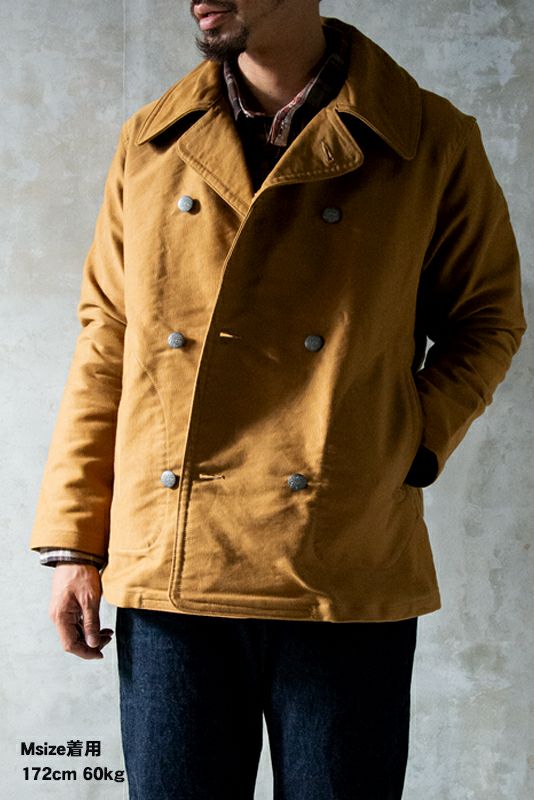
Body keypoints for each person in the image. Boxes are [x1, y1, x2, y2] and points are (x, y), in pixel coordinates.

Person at [29, 1, 526, 798]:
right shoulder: (151, 141)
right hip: (173, 568)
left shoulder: (428, 139)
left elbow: (487, 317)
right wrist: (74, 544)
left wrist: (405, 438)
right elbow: (107, 342)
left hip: (344, 562)